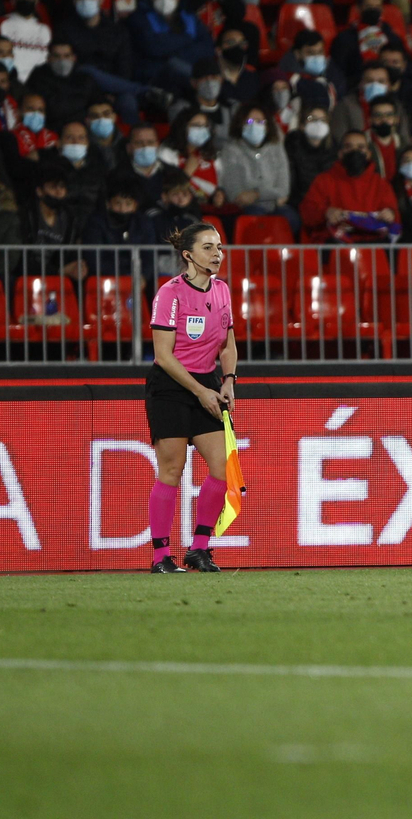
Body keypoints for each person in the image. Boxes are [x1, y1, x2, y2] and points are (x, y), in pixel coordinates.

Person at [144, 221, 237, 573]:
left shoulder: (222, 291)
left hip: (208, 384)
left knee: (221, 470)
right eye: (209, 248)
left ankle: (199, 548)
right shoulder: (169, 293)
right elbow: (163, 355)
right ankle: (160, 557)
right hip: (171, 386)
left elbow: (227, 343)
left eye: (219, 247)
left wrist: (227, 380)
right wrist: (200, 392)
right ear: (188, 255)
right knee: (172, 469)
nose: (218, 254)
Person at [298, 129, 397, 243]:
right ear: (340, 153)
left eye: (360, 147)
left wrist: (390, 214)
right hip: (335, 242)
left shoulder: (381, 184)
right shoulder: (324, 180)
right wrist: (325, 213)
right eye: (349, 147)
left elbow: (394, 214)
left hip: (373, 242)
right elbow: (307, 213)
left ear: (369, 154)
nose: (355, 151)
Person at [219, 103, 295, 236]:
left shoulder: (276, 148)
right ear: (240, 123)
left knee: (291, 218)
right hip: (247, 209)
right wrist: (272, 195)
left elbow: (284, 189)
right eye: (249, 121)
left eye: (260, 122)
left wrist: (256, 194)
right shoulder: (230, 150)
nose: (255, 125)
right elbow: (236, 195)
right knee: (255, 216)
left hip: (275, 208)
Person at [285, 104, 337, 209]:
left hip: (326, 205)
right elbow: (291, 183)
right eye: (311, 118)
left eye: (323, 120)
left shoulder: (334, 148)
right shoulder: (292, 145)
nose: (318, 123)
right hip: (298, 203)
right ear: (302, 124)